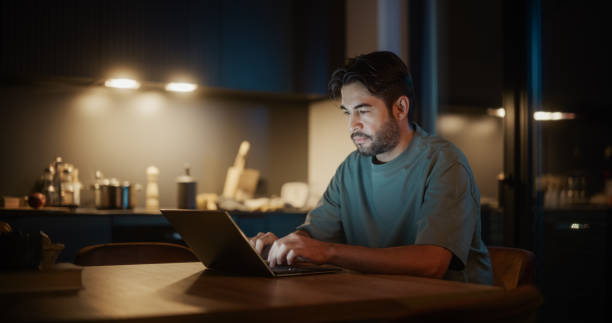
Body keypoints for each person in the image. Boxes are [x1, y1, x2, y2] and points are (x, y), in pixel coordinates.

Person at [250, 51, 493, 284]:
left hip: (453, 306)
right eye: (347, 113)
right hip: (382, 301)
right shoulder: (350, 168)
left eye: (363, 111)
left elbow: (431, 263)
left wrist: (329, 252)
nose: (352, 125)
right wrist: (284, 245)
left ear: (400, 108)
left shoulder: (445, 162)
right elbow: (315, 237)